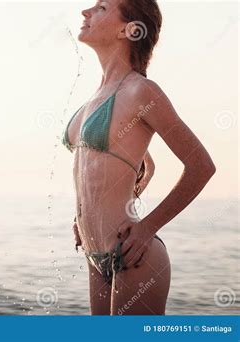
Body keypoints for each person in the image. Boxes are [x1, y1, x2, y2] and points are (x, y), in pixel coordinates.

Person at [63, 0, 216, 315]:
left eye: (102, 8)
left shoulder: (141, 92)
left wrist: (147, 227)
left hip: (134, 256)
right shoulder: (93, 99)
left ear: (130, 29)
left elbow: (201, 165)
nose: (86, 12)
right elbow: (140, 163)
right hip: (96, 257)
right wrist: (87, 217)